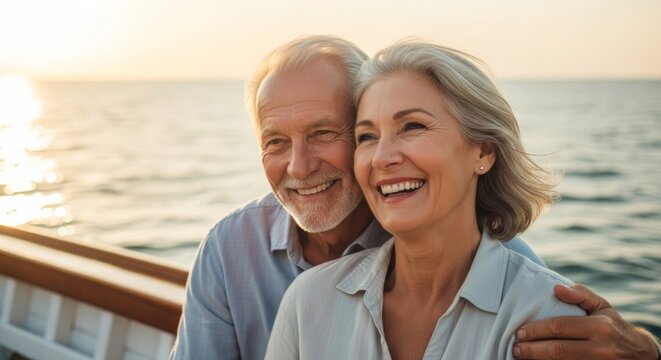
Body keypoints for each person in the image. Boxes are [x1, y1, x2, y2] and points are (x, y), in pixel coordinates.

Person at [170, 36, 661, 360]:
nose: (298, 167)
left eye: (324, 133)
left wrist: (644, 350)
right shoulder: (237, 250)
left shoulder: (528, 299)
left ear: (482, 151)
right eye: (275, 141)